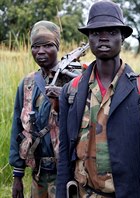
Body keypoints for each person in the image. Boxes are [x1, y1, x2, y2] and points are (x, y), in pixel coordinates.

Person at [56, 0, 140, 197]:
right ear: (88, 39)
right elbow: (64, 154)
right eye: (96, 33)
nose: (103, 38)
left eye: (112, 32)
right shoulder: (70, 91)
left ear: (122, 38)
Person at [9, 20, 72, 198]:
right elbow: (17, 128)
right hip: (38, 175)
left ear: (57, 47)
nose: (41, 51)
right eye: (36, 46)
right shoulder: (27, 84)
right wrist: (17, 176)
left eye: (48, 45)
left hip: (67, 175)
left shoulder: (73, 80)